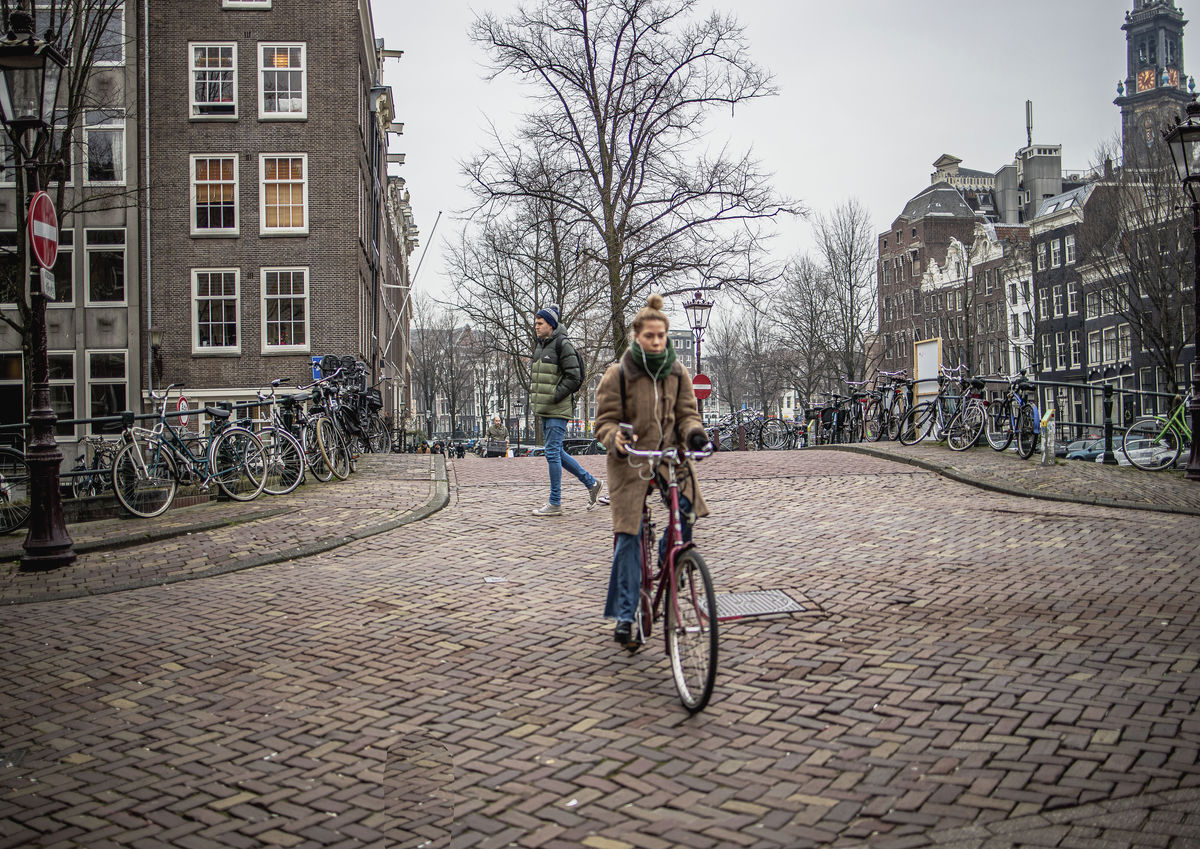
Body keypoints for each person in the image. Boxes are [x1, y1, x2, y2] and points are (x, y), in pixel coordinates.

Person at [593, 293, 711, 646]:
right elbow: (604, 422)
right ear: (636, 336)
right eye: (650, 336)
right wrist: (614, 437)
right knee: (628, 536)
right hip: (631, 459)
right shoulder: (619, 374)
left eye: (662, 336)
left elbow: (689, 413)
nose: (657, 342)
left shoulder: (677, 372)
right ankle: (626, 617)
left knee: (686, 510)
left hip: (669, 456)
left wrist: (694, 434)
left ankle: (670, 560)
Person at [530, 304, 603, 515]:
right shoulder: (541, 345)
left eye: (540, 323)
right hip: (545, 408)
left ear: (551, 325)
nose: (536, 326)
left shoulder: (563, 345)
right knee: (557, 451)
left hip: (557, 408)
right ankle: (591, 483)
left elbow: (575, 377)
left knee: (552, 452)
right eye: (536, 323)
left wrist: (554, 396)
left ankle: (555, 502)